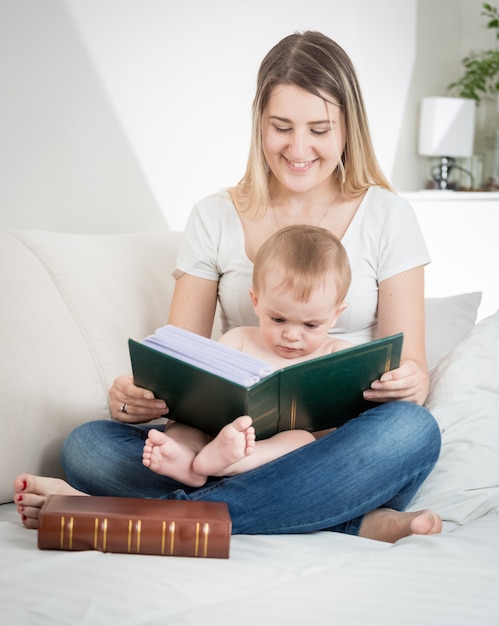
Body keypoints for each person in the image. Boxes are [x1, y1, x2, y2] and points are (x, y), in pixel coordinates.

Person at [14, 31, 442, 543]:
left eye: (319, 129)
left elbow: (411, 374)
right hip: (223, 443)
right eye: (281, 127)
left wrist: (409, 382)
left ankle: (144, 517)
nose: (299, 148)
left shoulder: (387, 215)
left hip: (327, 447)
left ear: (349, 128)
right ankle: (346, 518)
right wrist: (139, 400)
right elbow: (179, 362)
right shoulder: (215, 215)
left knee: (411, 434)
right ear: (259, 123)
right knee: (88, 446)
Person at [142, 225, 352, 486]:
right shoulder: (239, 339)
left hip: (284, 458)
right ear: (256, 301)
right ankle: (187, 458)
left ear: (335, 315)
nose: (292, 335)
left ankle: (230, 464)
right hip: (220, 434)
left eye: (310, 325)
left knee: (302, 438)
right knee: (184, 426)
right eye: (278, 319)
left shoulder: (337, 354)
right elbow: (204, 389)